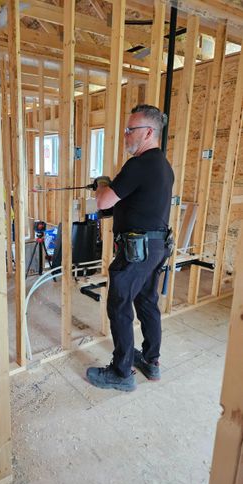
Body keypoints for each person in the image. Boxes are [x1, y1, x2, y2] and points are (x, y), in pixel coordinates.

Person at [86, 104, 174, 392]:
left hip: (136, 251)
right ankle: (151, 361)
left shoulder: (138, 164)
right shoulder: (162, 165)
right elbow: (135, 202)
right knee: (147, 303)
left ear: (148, 132)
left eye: (130, 130)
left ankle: (122, 372)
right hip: (156, 247)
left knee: (119, 306)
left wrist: (101, 186)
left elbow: (103, 203)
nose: (125, 135)